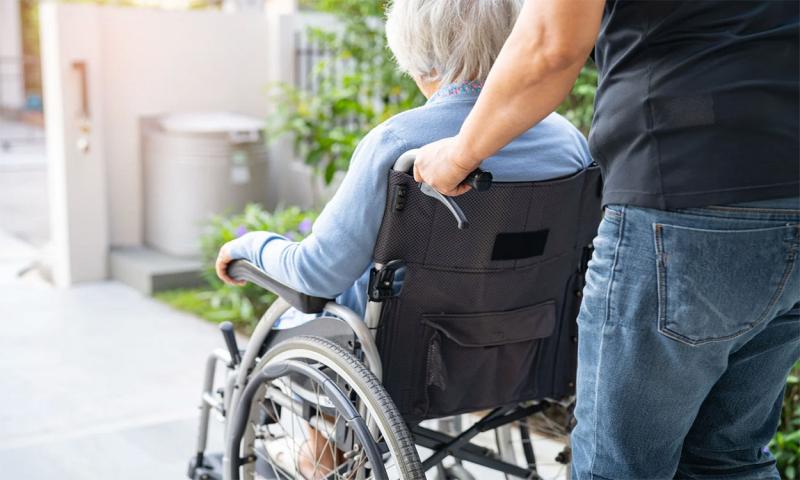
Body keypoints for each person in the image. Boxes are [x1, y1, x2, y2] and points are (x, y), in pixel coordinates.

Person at [412, 0, 800, 478]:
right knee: (727, 459)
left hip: (684, 192)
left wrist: (457, 157)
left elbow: (550, 44)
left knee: (618, 468)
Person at [215, 0, 592, 320]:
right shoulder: (568, 141)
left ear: (415, 54)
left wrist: (248, 246)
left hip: (400, 355)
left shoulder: (397, 142)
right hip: (522, 344)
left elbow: (318, 274)